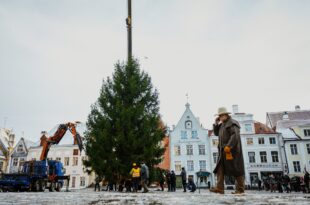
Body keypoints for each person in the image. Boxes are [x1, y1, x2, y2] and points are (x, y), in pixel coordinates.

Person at [210, 107, 245, 195]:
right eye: (219, 116)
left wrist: (229, 146)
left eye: (222, 116)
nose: (221, 117)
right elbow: (216, 133)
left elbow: (235, 135)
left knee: (236, 169)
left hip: (232, 151)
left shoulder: (232, 123)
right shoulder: (222, 125)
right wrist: (216, 123)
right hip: (222, 151)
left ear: (226, 115)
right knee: (220, 169)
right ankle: (220, 188)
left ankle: (240, 189)